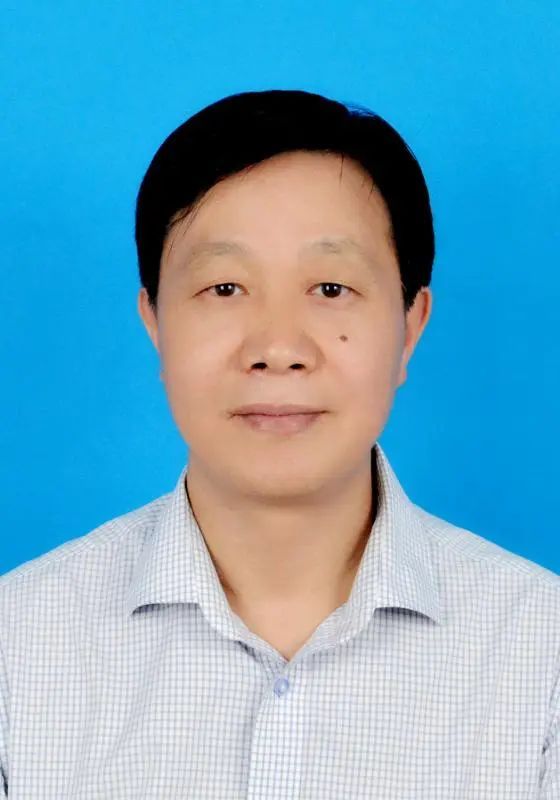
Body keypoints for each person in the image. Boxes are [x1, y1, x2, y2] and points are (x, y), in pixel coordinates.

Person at [0, 89, 558, 798]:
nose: (278, 348)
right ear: (155, 322)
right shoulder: (17, 650)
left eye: (330, 288)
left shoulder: (541, 657)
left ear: (410, 326)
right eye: (224, 288)